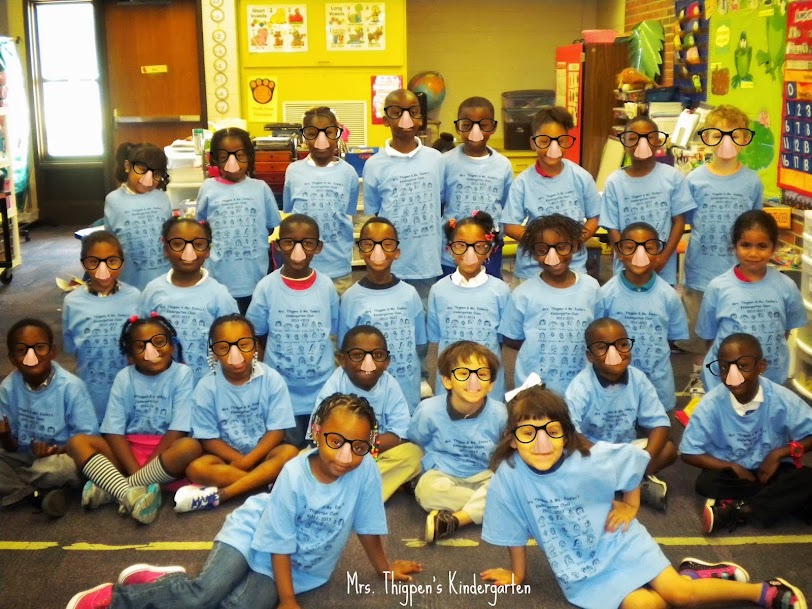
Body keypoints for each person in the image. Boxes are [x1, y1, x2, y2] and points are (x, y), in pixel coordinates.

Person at [66, 393, 423, 609]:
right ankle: (117, 599)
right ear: (316, 432)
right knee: (203, 596)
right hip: (252, 534)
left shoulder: (365, 470)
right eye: (335, 441)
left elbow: (368, 523)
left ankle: (166, 583)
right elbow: (278, 541)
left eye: (358, 446)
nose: (346, 456)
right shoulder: (295, 474)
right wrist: (287, 600)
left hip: (301, 566)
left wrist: (384, 568)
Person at [481, 384, 807, 609]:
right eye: (528, 433)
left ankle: (761, 591)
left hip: (618, 542)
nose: (541, 444)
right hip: (580, 572)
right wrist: (518, 574)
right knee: (648, 605)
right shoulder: (509, 478)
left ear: (566, 435)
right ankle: (694, 574)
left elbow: (632, 462)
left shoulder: (587, 459)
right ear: (512, 439)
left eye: (552, 431)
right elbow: (515, 529)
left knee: (681, 596)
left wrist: (631, 504)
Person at [66, 314, 200, 524]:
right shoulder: (124, 377)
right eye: (140, 346)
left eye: (159, 342)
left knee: (189, 447)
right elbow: (113, 432)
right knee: (77, 442)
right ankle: (130, 493)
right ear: (130, 356)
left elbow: (178, 430)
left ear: (172, 347)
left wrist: (143, 473)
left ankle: (115, 489)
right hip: (128, 455)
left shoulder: (183, 374)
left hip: (165, 456)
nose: (151, 351)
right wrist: (136, 471)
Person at [680, 333, 812, 535]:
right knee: (706, 483)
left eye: (742, 366)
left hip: (771, 470)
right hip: (732, 473)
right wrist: (731, 466)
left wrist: (780, 453)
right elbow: (689, 452)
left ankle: (742, 510)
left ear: (761, 367)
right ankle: (778, 501)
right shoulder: (712, 403)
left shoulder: (781, 398)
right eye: (724, 368)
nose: (732, 376)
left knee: (807, 478)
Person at [176, 314, 298, 512]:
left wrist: (249, 460)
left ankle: (225, 494)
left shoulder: (272, 379)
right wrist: (239, 460)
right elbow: (208, 438)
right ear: (214, 352)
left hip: (264, 454)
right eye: (224, 347)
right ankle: (265, 485)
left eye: (244, 344)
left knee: (290, 453)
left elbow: (277, 431)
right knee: (196, 468)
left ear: (255, 346)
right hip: (227, 459)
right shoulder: (206, 387)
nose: (235, 355)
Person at [682, 105, 763, 397]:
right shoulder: (695, 180)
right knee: (701, 331)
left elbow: (755, 225)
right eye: (718, 134)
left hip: (738, 273)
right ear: (707, 138)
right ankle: (699, 376)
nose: (726, 141)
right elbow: (686, 222)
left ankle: (734, 381)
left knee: (736, 330)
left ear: (744, 139)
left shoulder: (752, 181)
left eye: (734, 135)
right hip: (701, 270)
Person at [565, 317, 676, 511]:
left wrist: (644, 460)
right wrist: (601, 459)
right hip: (594, 452)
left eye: (622, 344)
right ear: (590, 356)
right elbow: (571, 431)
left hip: (627, 449)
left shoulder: (638, 379)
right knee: (568, 460)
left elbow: (660, 424)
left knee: (668, 449)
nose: (614, 353)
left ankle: (618, 482)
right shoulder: (581, 386)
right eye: (602, 347)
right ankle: (631, 484)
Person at [246, 214, 339, 447]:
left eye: (307, 243)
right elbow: (256, 335)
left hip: (322, 390)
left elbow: (335, 329)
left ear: (318, 247)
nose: (298, 250)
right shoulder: (266, 287)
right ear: (278, 246)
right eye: (289, 242)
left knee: (320, 449)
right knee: (287, 451)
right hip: (282, 393)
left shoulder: (326, 286)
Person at [407, 341, 507, 543]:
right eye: (463, 374)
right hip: (443, 473)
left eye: (482, 374)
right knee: (427, 491)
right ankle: (491, 507)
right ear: (447, 381)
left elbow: (504, 452)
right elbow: (417, 439)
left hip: (484, 473)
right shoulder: (428, 410)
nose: (473, 382)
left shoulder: (501, 414)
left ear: (491, 384)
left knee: (505, 484)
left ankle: (457, 519)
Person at [308, 324, 422, 501]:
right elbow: (316, 434)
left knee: (414, 454)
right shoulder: (334, 385)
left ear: (387, 361)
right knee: (304, 458)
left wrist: (361, 448)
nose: (368, 363)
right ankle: (361, 492)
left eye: (377, 355)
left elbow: (401, 434)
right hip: (337, 455)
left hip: (374, 452)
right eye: (357, 355)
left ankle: (343, 493)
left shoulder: (390, 385)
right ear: (341, 359)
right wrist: (345, 451)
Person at [697, 210, 805, 391]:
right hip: (726, 381)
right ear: (734, 247)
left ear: (774, 248)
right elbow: (710, 337)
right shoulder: (718, 287)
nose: (753, 253)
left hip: (771, 378)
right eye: (746, 245)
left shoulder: (786, 286)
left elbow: (785, 331)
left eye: (762, 246)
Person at [0, 319, 98, 517]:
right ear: (12, 358)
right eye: (21, 350)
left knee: (60, 470)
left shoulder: (71, 387)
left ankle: (21, 487)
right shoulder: (7, 388)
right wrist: (5, 436)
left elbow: (89, 440)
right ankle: (35, 494)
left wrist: (56, 450)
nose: (32, 356)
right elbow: (11, 447)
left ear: (53, 351)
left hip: (61, 457)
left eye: (40, 348)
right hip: (26, 456)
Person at [499, 214, 603, 395]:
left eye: (561, 247)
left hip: (581, 388)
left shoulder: (591, 288)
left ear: (575, 246)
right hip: (535, 391)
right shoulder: (523, 294)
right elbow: (512, 340)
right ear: (533, 253)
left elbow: (598, 332)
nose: (553, 256)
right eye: (542, 249)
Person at [362, 88, 444, 305]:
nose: (406, 119)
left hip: (427, 262)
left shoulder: (436, 160)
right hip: (390, 263)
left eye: (413, 112)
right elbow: (375, 215)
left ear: (420, 118)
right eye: (397, 112)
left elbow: (441, 202)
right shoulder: (374, 165)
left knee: (425, 316)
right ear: (385, 120)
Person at [502, 106, 600, 280]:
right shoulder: (523, 183)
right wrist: (542, 244)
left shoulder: (581, 177)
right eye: (544, 141)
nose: (553, 148)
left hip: (573, 267)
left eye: (560, 141)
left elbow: (596, 217)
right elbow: (510, 225)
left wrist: (574, 242)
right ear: (533, 143)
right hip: (532, 271)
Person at [339, 217, 426, 411]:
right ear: (360, 250)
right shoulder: (350, 298)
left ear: (397, 252)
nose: (378, 251)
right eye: (369, 244)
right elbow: (346, 350)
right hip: (366, 394)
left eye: (386, 244)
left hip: (406, 393)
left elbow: (420, 344)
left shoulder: (410, 294)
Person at [600, 222, 688, 411]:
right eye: (630, 247)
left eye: (648, 247)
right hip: (617, 386)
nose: (639, 255)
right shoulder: (606, 294)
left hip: (658, 387)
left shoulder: (668, 296)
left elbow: (672, 337)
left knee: (659, 427)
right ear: (619, 251)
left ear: (658, 251)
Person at [139, 217, 239, 383]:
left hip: (205, 385)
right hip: (162, 384)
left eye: (198, 244)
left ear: (208, 250)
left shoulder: (219, 295)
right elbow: (139, 337)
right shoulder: (153, 291)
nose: (188, 251)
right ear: (165, 249)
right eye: (178, 244)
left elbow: (232, 341)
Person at [600, 115, 696, 286]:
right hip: (626, 272)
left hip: (662, 271)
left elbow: (679, 222)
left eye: (648, 137)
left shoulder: (673, 177)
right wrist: (626, 258)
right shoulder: (615, 182)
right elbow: (612, 227)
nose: (641, 143)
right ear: (624, 143)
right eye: (633, 138)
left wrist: (662, 259)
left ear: (658, 142)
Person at [196, 127, 281, 313]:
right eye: (224, 156)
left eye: (240, 155)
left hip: (255, 278)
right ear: (214, 159)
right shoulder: (208, 188)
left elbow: (270, 227)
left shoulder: (260, 188)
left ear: (249, 156)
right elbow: (201, 228)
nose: (232, 162)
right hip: (219, 278)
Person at [428, 211, 510, 400]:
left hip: (488, 386)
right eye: (461, 245)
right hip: (450, 384)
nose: (469, 253)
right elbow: (435, 341)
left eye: (478, 246)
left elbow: (503, 343)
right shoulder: (439, 290)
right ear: (449, 249)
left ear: (489, 250)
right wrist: (435, 381)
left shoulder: (500, 291)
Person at [62, 230, 140, 422]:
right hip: (91, 393)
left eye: (112, 261)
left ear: (122, 262)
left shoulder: (136, 297)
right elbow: (71, 347)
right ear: (84, 263)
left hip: (131, 392)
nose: (103, 268)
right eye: (94, 262)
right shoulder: (72, 302)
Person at [284, 107, 359, 295]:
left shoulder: (348, 172)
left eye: (329, 132)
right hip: (302, 266)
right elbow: (291, 215)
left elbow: (348, 212)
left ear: (337, 133)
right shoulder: (293, 171)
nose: (321, 140)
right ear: (304, 136)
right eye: (312, 134)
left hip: (338, 268)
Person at [441, 96, 513, 278]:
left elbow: (506, 207)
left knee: (488, 291)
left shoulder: (503, 165)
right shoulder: (445, 162)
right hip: (452, 253)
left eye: (483, 125)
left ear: (493, 127)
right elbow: (437, 205)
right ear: (458, 127)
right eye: (467, 125)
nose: (475, 131)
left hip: (489, 253)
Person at [104, 142, 173, 291]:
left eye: (156, 174)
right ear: (127, 166)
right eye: (142, 170)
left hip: (164, 279)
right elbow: (109, 242)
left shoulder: (162, 198)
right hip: (130, 281)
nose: (148, 179)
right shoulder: (113, 200)